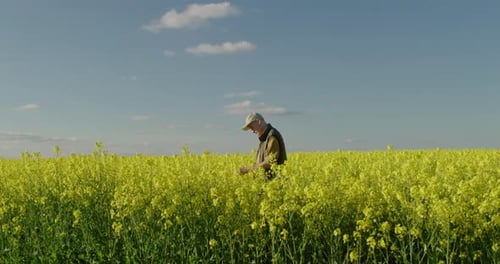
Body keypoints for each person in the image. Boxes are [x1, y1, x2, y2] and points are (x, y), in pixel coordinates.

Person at [239, 112, 287, 179]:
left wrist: (248, 170)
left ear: (259, 122)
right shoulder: (264, 139)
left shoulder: (272, 137)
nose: (252, 131)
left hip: (274, 185)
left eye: (252, 127)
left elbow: (269, 162)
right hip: (268, 185)